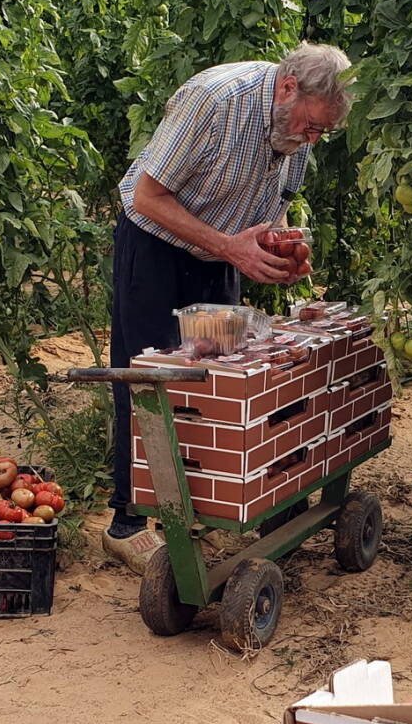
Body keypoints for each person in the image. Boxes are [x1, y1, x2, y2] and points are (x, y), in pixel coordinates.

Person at [104, 42, 351, 569]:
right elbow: (146, 197)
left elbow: (274, 210)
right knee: (150, 378)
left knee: (214, 376)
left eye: (321, 132)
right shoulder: (216, 100)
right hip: (155, 246)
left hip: (219, 252)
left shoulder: (296, 130)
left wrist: (283, 248)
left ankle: (195, 509)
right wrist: (229, 247)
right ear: (288, 89)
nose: (312, 139)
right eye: (311, 127)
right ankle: (127, 521)